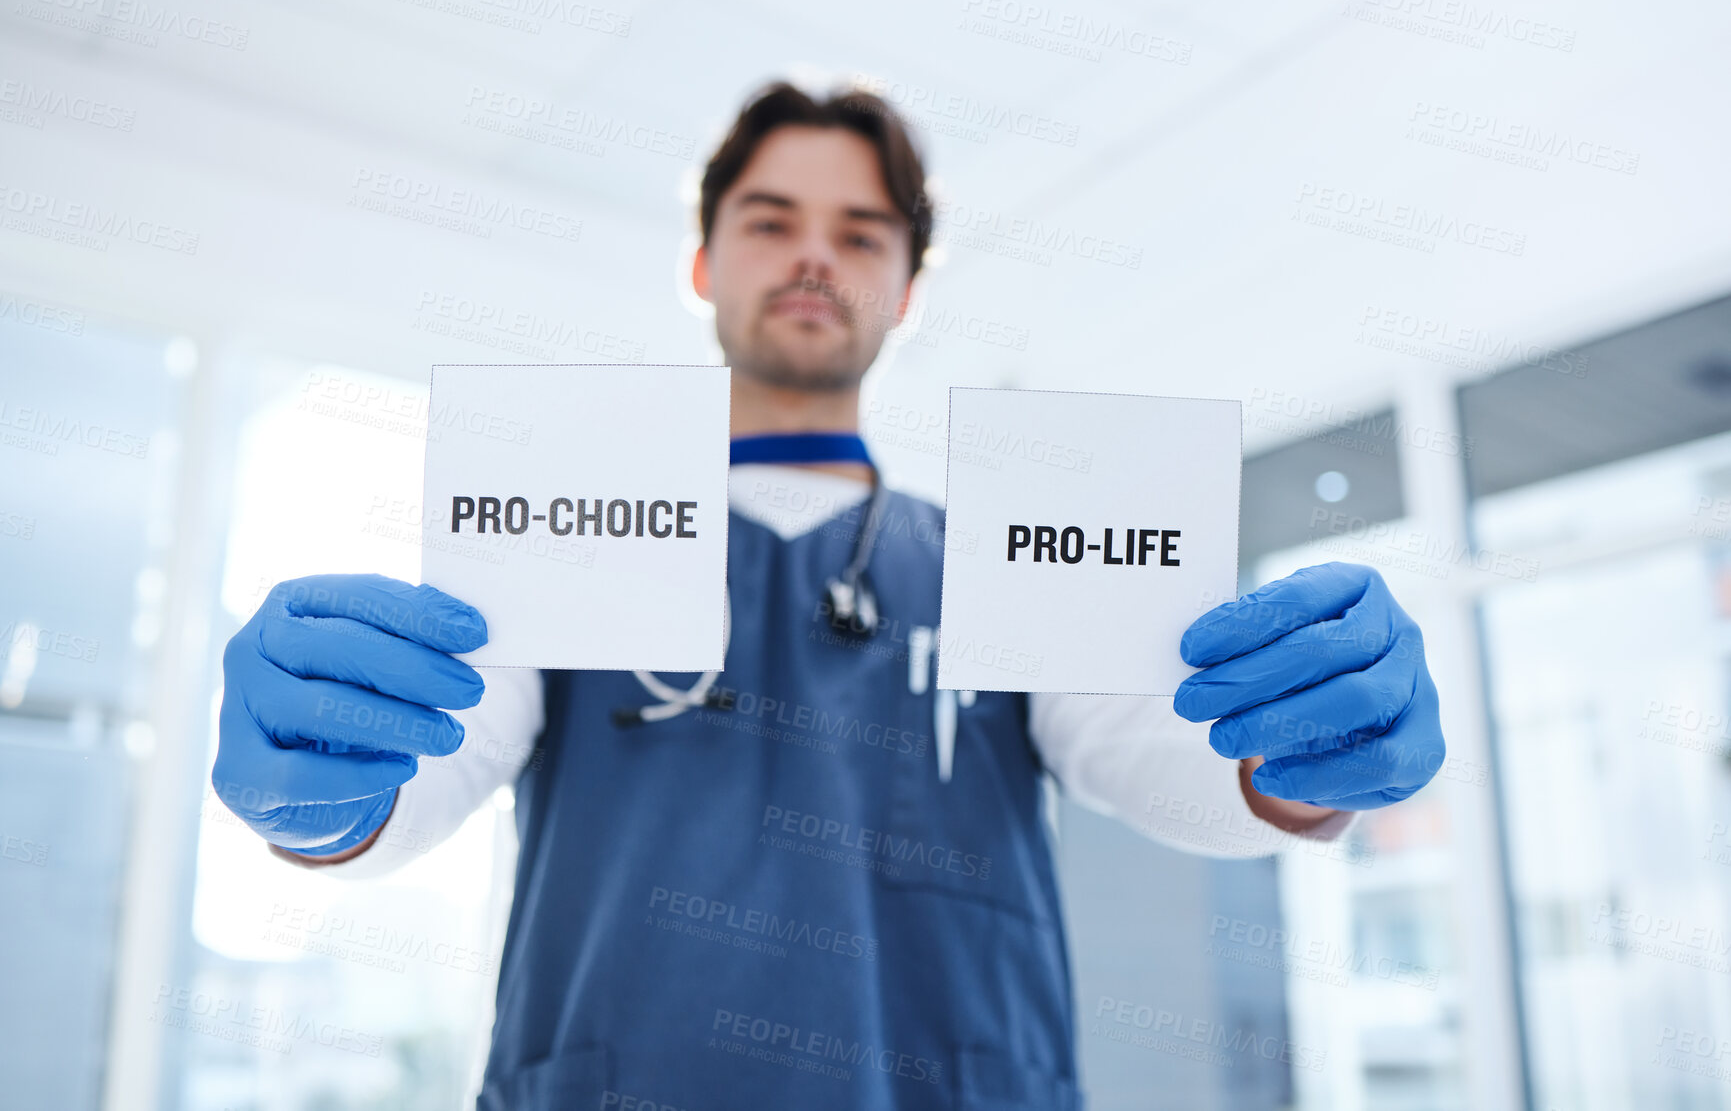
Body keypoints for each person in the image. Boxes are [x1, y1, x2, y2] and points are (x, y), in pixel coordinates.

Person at [214, 80, 1444, 1110]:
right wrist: (325, 791)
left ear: (906, 290)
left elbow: (1156, 752)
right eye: (771, 220)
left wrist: (1295, 762)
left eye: (861, 233)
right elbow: (439, 757)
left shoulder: (1004, 556)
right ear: (703, 263)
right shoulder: (566, 530)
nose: (815, 253)